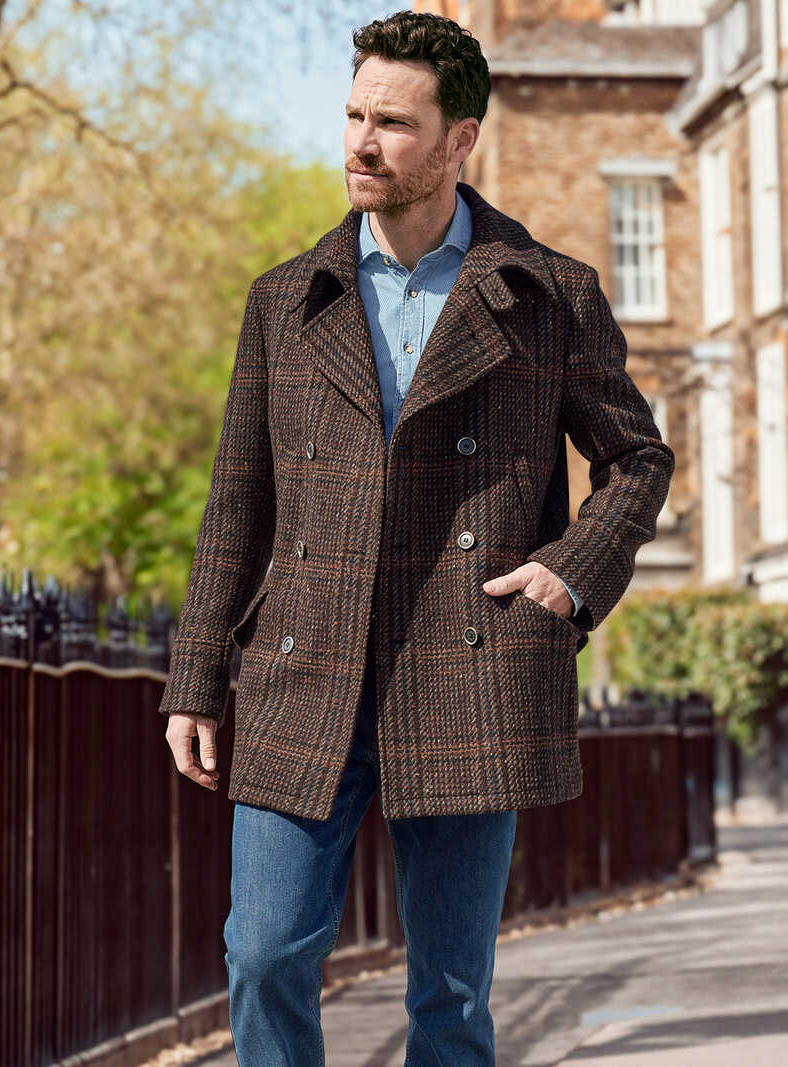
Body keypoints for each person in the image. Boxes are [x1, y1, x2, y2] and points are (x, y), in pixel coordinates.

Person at [159, 10, 675, 1065]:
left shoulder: (549, 294)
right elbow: (238, 502)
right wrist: (194, 676)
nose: (362, 142)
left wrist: (567, 573)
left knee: (449, 991)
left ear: (459, 139)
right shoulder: (285, 300)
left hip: (466, 662)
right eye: (354, 115)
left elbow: (636, 458)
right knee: (262, 952)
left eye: (393, 123)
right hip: (304, 663)